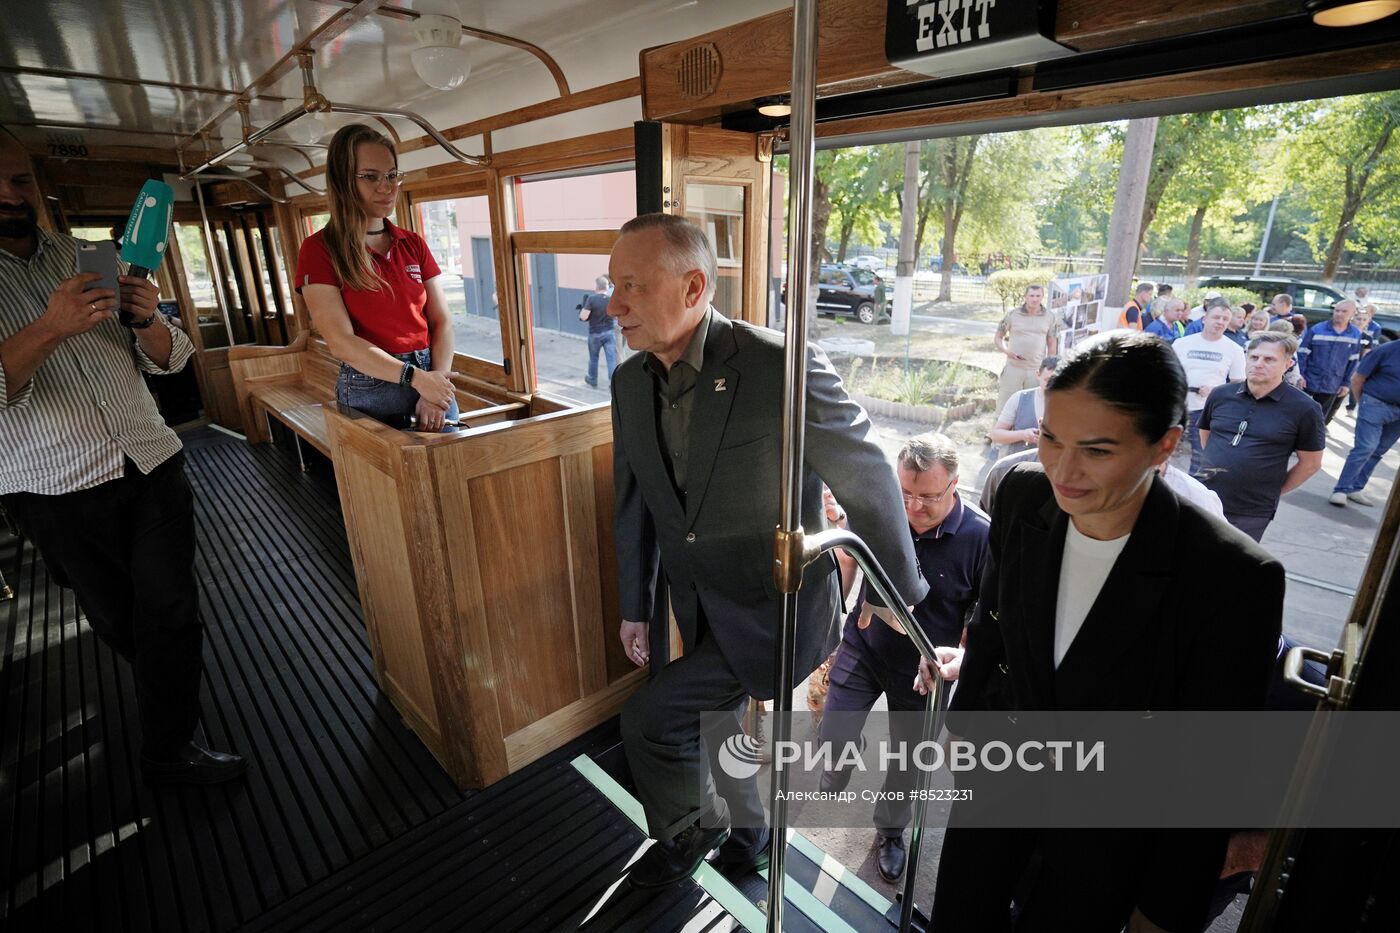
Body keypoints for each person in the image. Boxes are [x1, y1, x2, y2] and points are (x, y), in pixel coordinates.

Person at [608, 214, 927, 888]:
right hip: (693, 598)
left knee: (650, 720)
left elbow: (866, 471)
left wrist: (897, 599)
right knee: (721, 726)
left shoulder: (779, 362)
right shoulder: (628, 383)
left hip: (773, 602)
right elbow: (635, 499)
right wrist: (635, 604)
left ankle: (692, 832)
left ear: (694, 287)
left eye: (632, 285)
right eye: (613, 285)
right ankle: (751, 837)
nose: (614, 304)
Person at [934, 331, 1283, 933]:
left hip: (1108, 835)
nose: (1062, 470)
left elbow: (1212, 766)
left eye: (1096, 451)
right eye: (1049, 438)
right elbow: (993, 626)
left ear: (1163, 446)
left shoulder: (1231, 575)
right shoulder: (1020, 495)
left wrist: (1161, 909)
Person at [0, 126, 245, 784]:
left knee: (170, 608)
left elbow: (169, 361)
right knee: (119, 617)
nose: (9, 194)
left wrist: (149, 321)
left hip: (151, 460)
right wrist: (50, 326)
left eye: (20, 180)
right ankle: (170, 689)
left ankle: (169, 747)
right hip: (55, 488)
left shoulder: (88, 255)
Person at [817, 434, 987, 883]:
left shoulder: (981, 538)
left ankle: (890, 832)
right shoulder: (881, 510)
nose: (913, 507)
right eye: (905, 493)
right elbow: (847, 560)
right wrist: (830, 630)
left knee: (908, 761)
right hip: (866, 641)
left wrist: (960, 661)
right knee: (833, 733)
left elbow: (987, 619)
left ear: (956, 484)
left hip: (926, 668)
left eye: (928, 496)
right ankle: (838, 766)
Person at [296, 124, 459, 431]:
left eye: (392, 175)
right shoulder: (319, 250)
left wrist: (435, 386)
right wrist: (417, 379)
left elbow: (443, 322)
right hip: (371, 386)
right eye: (370, 176)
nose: (387, 187)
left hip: (432, 375)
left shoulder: (413, 244)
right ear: (343, 182)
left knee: (450, 473)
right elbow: (341, 343)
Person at [1197, 332, 1325, 543]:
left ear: (1287, 364)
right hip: (1203, 497)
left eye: (1269, 359)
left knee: (1230, 567)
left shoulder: (1305, 409)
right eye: (1254, 357)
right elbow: (1207, 437)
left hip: (1251, 510)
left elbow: (1311, 464)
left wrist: (1273, 490)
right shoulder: (1221, 394)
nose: (1258, 364)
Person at [1172, 300, 1246, 475]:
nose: (1220, 322)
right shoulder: (1182, 343)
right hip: (1176, 406)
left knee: (1201, 456)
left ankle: (1192, 495)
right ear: (1205, 319)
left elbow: (1239, 384)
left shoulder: (1234, 349)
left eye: (1225, 319)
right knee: (1163, 452)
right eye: (1216, 317)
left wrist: (1216, 391)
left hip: (1206, 410)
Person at [1330, 336, 1400, 508]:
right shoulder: (1386, 350)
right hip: (1376, 403)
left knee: (1379, 450)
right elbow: (1357, 378)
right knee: (1366, 447)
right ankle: (1341, 489)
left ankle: (1355, 488)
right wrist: (1363, 402)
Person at [994, 283, 1060, 413]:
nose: (1034, 299)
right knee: (1004, 407)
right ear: (1025, 296)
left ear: (1042, 297)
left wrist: (1050, 369)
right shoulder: (1012, 315)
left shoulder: (1050, 317)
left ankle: (1022, 433)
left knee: (1031, 409)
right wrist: (1007, 352)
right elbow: (998, 337)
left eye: (1038, 296)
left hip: (1036, 371)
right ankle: (996, 432)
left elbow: (1052, 344)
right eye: (1031, 295)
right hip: (1013, 369)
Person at [1296, 299, 1361, 425]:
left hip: (1333, 383)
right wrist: (1301, 375)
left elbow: (1353, 361)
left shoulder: (1355, 334)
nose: (1339, 314)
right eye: (1337, 310)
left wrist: (1346, 384)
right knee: (1298, 413)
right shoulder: (1317, 329)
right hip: (1308, 381)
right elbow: (1302, 354)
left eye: (1344, 311)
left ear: (1353, 314)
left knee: (1319, 418)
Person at [988, 355, 1058, 458]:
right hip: (1019, 466)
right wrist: (1023, 435)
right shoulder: (1019, 398)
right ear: (1038, 375)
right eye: (1047, 380)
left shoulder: (1073, 405)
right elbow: (995, 435)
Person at [578, 274, 617, 387]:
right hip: (609, 333)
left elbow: (583, 317)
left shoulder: (591, 299)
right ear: (606, 287)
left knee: (594, 358)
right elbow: (615, 316)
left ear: (597, 287)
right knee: (611, 359)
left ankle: (592, 379)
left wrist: (582, 309)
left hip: (595, 333)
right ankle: (613, 382)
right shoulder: (611, 300)